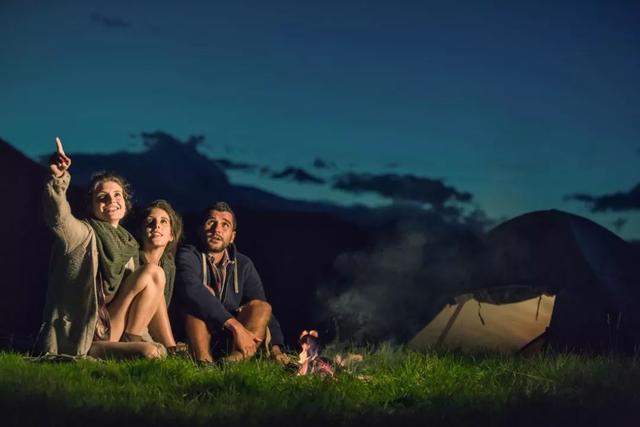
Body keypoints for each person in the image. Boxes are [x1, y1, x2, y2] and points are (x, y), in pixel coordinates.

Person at [34, 137, 167, 359]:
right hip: (85, 335)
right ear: (92, 206)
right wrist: (58, 177)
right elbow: (58, 216)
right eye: (102, 197)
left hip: (112, 325)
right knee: (151, 354)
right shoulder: (81, 235)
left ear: (125, 202)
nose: (111, 201)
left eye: (117, 195)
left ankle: (131, 340)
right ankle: (107, 351)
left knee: (153, 272)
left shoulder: (128, 244)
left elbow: (135, 301)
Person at [175, 201, 289, 364]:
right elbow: (189, 289)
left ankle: (234, 361)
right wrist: (235, 326)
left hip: (229, 339)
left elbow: (263, 309)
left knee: (262, 306)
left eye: (225, 225)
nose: (217, 230)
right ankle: (204, 363)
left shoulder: (244, 264)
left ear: (232, 236)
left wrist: (276, 348)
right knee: (199, 297)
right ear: (201, 229)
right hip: (194, 334)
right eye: (211, 222)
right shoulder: (188, 255)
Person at [136, 199, 184, 351]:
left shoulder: (168, 265)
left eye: (163, 221)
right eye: (150, 221)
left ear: (172, 235)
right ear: (141, 230)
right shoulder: (132, 258)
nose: (156, 225)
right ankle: (171, 348)